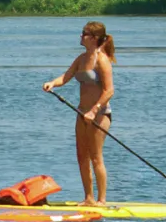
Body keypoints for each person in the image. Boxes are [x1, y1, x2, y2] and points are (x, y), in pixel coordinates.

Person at [45, 20, 117, 203]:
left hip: (99, 115)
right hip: (82, 113)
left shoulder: (102, 60)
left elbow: (109, 90)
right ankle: (89, 198)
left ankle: (101, 200)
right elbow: (66, 76)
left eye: (84, 34)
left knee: (95, 157)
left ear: (94, 38)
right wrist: (53, 83)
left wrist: (94, 110)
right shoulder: (81, 58)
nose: (81, 36)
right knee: (81, 156)